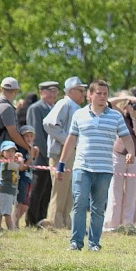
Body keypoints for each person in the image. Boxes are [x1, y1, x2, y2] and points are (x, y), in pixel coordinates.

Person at [57, 80, 136, 251]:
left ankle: (94, 243)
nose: (102, 96)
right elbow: (71, 140)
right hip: (82, 167)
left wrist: (130, 151)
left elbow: (126, 137)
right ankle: (76, 242)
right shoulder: (79, 114)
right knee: (79, 203)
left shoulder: (115, 116)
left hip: (105, 168)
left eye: (105, 94)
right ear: (90, 95)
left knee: (98, 208)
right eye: (99, 93)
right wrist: (62, 163)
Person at [0, 78, 37, 231]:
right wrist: (27, 147)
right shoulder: (7, 108)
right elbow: (13, 133)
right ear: (15, 91)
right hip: (3, 154)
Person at [41, 77, 87, 229]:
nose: (84, 93)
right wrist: (67, 140)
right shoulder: (64, 103)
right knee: (59, 190)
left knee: (69, 190)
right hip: (61, 153)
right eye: (81, 90)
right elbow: (49, 124)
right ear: (71, 91)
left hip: (72, 153)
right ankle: (54, 223)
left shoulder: (77, 107)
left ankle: (66, 223)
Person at [104, 96, 136, 231]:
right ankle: (111, 224)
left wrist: (135, 118)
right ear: (128, 106)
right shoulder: (120, 116)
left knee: (131, 192)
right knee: (115, 190)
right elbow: (108, 103)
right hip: (118, 155)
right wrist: (127, 97)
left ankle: (127, 224)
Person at [25, 81, 59, 227]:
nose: (53, 94)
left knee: (48, 190)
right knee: (37, 189)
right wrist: (48, 154)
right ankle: (31, 221)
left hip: (53, 156)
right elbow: (36, 134)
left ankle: (42, 218)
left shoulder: (55, 107)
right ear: (41, 92)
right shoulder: (36, 108)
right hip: (41, 155)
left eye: (55, 90)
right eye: (50, 90)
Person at [0, 141, 24, 230]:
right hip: (6, 190)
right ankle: (11, 228)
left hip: (7, 190)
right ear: (2, 153)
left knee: (0, 211)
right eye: (8, 151)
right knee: (7, 212)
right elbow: (21, 167)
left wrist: (16, 157)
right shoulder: (8, 163)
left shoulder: (9, 162)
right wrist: (21, 160)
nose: (11, 153)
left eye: (12, 151)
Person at [13, 126, 36, 228]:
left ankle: (15, 222)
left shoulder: (31, 148)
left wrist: (34, 152)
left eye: (31, 136)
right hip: (21, 178)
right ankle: (15, 224)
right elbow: (21, 168)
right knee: (20, 202)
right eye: (26, 136)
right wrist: (30, 157)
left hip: (29, 178)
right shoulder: (21, 150)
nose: (29, 138)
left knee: (26, 205)